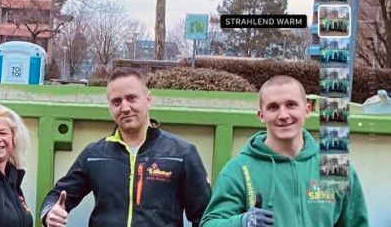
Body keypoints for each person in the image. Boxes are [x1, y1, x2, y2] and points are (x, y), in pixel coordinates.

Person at [41, 67, 211, 227]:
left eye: (131, 98)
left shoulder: (181, 153)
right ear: (110, 107)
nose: (125, 108)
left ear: (148, 99)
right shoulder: (94, 155)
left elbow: (204, 217)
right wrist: (50, 212)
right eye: (116, 101)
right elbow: (57, 196)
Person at [201, 75, 369, 227]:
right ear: (261, 116)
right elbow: (209, 223)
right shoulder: (238, 170)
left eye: (291, 105)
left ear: (307, 110)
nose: (283, 115)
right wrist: (240, 223)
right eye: (273, 107)